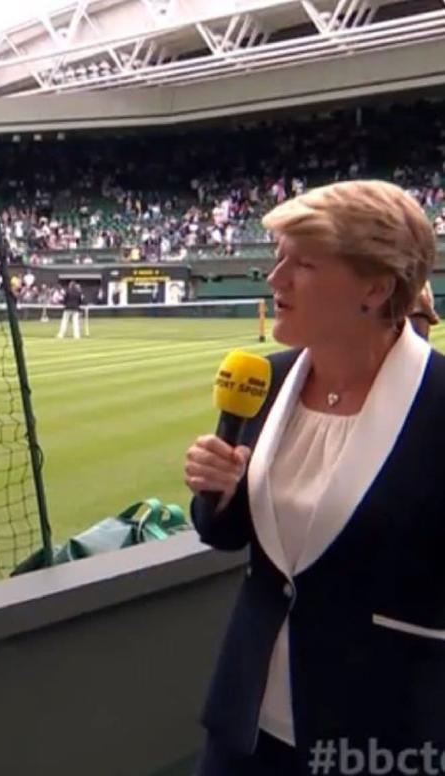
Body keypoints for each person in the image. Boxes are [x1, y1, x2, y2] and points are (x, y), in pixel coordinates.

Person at [182, 180, 444, 775]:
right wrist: (217, 493)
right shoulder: (266, 382)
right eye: (277, 257)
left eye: (302, 263)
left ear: (375, 288)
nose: (275, 280)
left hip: (382, 735)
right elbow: (229, 536)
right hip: (245, 724)